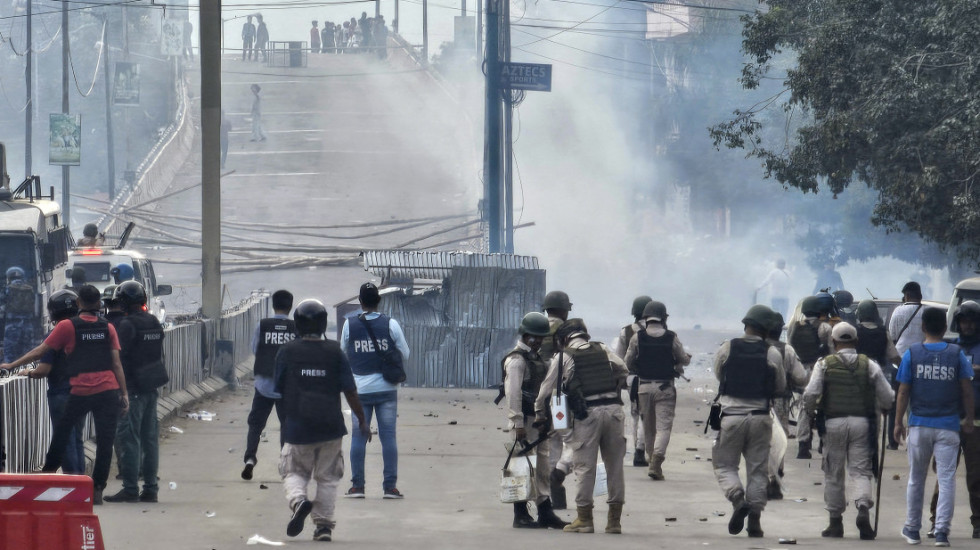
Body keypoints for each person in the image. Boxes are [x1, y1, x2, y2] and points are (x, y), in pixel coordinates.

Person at [0, 285, 129, 505]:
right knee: (104, 442)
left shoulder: (68, 326)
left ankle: (53, 477)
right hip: (107, 390)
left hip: (79, 390)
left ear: (79, 303)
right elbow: (116, 364)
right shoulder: (108, 328)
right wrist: (123, 393)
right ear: (99, 304)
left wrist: (12, 364)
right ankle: (96, 488)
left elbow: (41, 351)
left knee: (62, 437)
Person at [275, 299, 369, 541]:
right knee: (327, 478)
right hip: (330, 426)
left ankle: (298, 502)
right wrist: (362, 420)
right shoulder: (335, 351)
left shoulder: (287, 352)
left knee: (294, 471)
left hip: (298, 424)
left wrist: (285, 422)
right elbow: (350, 391)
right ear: (323, 323)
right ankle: (323, 527)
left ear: (297, 324)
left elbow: (278, 390)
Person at [533, 319, 628, 534]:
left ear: (565, 338)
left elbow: (546, 390)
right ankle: (614, 522)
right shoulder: (602, 348)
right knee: (615, 467)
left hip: (587, 416)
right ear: (584, 334)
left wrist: (540, 413)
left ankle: (584, 519)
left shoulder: (563, 357)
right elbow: (623, 369)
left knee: (585, 467)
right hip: (614, 411)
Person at [803, 322, 895, 540]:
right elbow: (888, 396)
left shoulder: (824, 364)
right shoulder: (869, 364)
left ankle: (835, 523)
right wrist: (884, 407)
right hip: (863, 424)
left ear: (834, 343)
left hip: (833, 424)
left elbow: (810, 394)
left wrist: (812, 412)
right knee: (861, 471)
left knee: (834, 472)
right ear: (856, 341)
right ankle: (863, 507)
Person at [894, 307, 975, 547]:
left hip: (919, 424)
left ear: (923, 327)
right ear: (945, 327)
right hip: (949, 426)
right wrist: (969, 418)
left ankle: (912, 529)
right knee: (947, 478)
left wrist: (898, 422)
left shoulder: (912, 354)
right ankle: (941, 532)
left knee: (916, 478)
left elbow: (903, 391)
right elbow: (967, 390)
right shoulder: (956, 354)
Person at [711, 304, 786, 538]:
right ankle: (755, 520)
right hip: (761, 417)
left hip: (732, 417)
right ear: (766, 329)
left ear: (746, 324)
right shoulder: (771, 352)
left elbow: (718, 374)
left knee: (725, 465)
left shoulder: (727, 348)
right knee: (757, 470)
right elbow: (780, 386)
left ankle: (737, 499)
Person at [342, 282, 410, 499]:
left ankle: (357, 487)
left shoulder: (349, 325)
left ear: (360, 301)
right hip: (387, 389)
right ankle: (390, 487)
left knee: (358, 438)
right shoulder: (391, 323)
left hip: (359, 391)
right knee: (388, 437)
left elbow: (342, 354)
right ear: (379, 300)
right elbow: (405, 353)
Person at [501, 312, 568, 529]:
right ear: (525, 335)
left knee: (541, 468)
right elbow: (513, 394)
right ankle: (520, 514)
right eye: (534, 337)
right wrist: (518, 423)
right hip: (524, 422)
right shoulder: (516, 360)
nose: (538, 341)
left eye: (541, 337)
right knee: (521, 466)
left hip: (538, 421)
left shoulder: (537, 359)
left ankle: (545, 510)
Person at [105, 281, 168, 504]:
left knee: (129, 439)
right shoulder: (153, 321)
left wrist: (120, 391)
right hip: (151, 388)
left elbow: (118, 359)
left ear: (123, 302)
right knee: (150, 440)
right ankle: (151, 488)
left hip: (131, 389)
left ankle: (130, 488)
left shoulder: (126, 325)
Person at [12, 290, 86, 474]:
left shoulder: (56, 335)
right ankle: (83, 484)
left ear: (53, 312)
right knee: (77, 439)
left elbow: (43, 370)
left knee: (65, 440)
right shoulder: (83, 332)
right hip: (83, 392)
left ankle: (72, 486)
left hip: (61, 393)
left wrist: (27, 372)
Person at [924, 301, 980, 540]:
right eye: (964, 321)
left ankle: (978, 522)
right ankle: (936, 520)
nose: (967, 325)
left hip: (976, 423)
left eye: (972, 321)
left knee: (976, 476)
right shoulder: (948, 347)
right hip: (948, 421)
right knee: (944, 474)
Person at [624, 300, 691, 481]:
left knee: (648, 427)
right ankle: (656, 461)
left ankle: (651, 456)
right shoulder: (671, 337)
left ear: (646, 317)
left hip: (643, 387)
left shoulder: (637, 337)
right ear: (663, 318)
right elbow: (683, 359)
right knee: (663, 427)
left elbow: (628, 362)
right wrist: (681, 362)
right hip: (665, 388)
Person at [242, 290, 295, 481]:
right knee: (286, 425)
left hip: (263, 383)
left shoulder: (263, 325)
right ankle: (285, 465)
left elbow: (255, 348)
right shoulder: (295, 327)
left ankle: (249, 458)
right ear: (290, 307)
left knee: (255, 424)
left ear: (273, 306)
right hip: (286, 387)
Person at [765, 310, 808, 499]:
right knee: (778, 441)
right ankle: (775, 478)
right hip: (780, 401)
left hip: (753, 402)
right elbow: (800, 377)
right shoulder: (786, 350)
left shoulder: (754, 347)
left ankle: (760, 479)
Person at [788, 295, 833, 459]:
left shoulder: (794, 327)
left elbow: (791, 349)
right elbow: (832, 351)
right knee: (824, 408)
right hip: (821, 370)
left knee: (804, 409)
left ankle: (803, 445)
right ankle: (823, 442)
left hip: (802, 371)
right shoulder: (825, 328)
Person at [539, 290, 572, 508]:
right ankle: (554, 481)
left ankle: (544, 490)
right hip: (559, 399)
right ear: (562, 310)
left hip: (537, 397)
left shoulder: (536, 327)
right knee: (561, 440)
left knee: (544, 442)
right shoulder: (567, 330)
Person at [854, 299, 901, 449]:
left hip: (856, 378)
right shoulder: (883, 333)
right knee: (878, 411)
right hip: (877, 377)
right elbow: (894, 356)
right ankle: (873, 444)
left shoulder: (854, 331)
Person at [612, 295, 651, 468]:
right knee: (646, 417)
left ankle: (636, 449)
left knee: (634, 415)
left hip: (630, 380)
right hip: (650, 379)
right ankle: (640, 451)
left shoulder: (626, 331)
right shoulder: (658, 331)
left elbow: (618, 358)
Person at [2, 266, 36, 363]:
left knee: (10, 352)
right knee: (27, 351)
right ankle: (27, 372)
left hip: (12, 324)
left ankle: (10, 372)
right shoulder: (29, 289)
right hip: (28, 324)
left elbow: (2, 302)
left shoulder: (7, 289)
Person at [890, 281, 926, 358]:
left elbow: (892, 336)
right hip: (921, 355)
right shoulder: (926, 311)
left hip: (901, 355)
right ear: (920, 296)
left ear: (907, 296)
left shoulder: (898, 310)